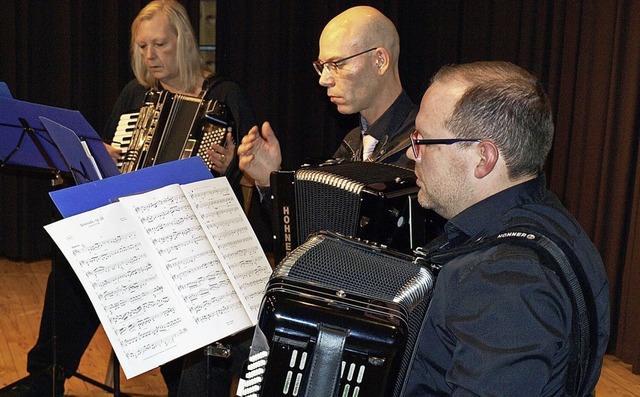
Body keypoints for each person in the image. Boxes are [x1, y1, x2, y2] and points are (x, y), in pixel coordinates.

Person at [0, 1, 257, 396]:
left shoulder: (224, 96)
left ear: (183, 42)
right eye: (141, 47)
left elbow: (247, 172)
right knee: (75, 264)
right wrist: (106, 155)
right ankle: (47, 376)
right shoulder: (135, 96)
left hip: (190, 238)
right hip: (132, 226)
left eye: (159, 45)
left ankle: (184, 385)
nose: (149, 56)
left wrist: (228, 166)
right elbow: (104, 165)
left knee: (170, 286)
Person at [400, 61, 610, 396]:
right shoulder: (547, 217)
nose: (412, 154)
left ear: (483, 158)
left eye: (423, 140)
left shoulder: (507, 281)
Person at [238, 5, 416, 189]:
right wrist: (269, 181)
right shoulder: (351, 145)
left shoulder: (422, 146)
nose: (323, 80)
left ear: (379, 60)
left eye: (336, 64)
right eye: (322, 66)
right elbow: (316, 217)